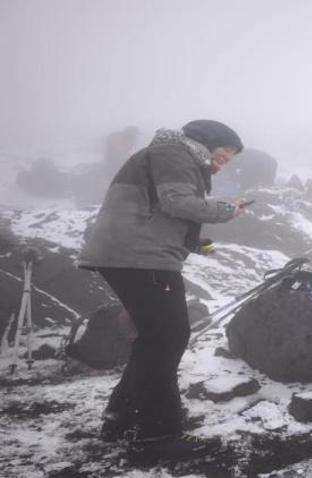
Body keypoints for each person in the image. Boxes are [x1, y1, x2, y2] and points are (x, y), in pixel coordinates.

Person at [77, 119, 247, 461]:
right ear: (207, 141)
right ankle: (157, 435)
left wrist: (193, 243)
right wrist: (227, 211)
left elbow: (154, 208)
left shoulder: (166, 155)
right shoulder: (175, 153)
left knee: (155, 339)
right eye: (224, 155)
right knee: (168, 337)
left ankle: (120, 419)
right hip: (141, 258)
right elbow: (176, 202)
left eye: (228, 161)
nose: (222, 163)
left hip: (132, 254)